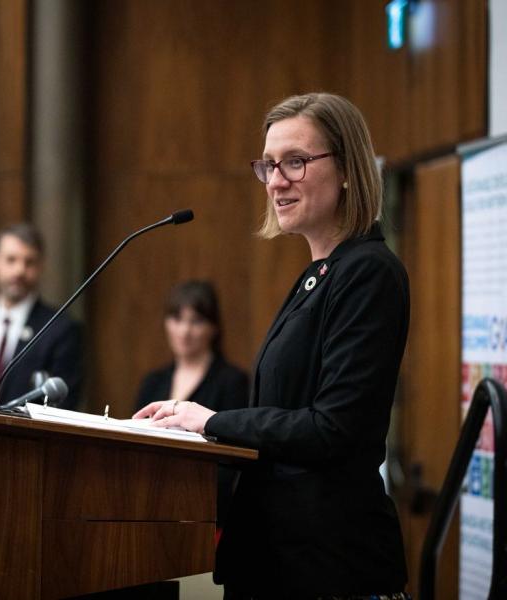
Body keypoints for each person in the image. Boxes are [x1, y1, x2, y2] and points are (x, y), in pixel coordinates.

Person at [135, 93, 410, 598]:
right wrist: (189, 426)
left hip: (330, 566)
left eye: (296, 162)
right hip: (280, 560)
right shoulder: (318, 275)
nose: (276, 181)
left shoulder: (368, 272)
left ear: (347, 168)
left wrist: (212, 421)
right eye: (268, 165)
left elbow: (333, 428)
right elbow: (282, 417)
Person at [135, 280, 249, 529]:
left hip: (207, 507)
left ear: (214, 327)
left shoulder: (232, 381)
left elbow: (232, 456)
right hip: (149, 500)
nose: (184, 331)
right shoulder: (153, 382)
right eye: (177, 319)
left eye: (196, 321)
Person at [0, 223, 83, 409]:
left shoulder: (60, 330)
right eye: (11, 260)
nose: (19, 271)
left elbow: (64, 405)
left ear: (41, 267)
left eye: (29, 262)